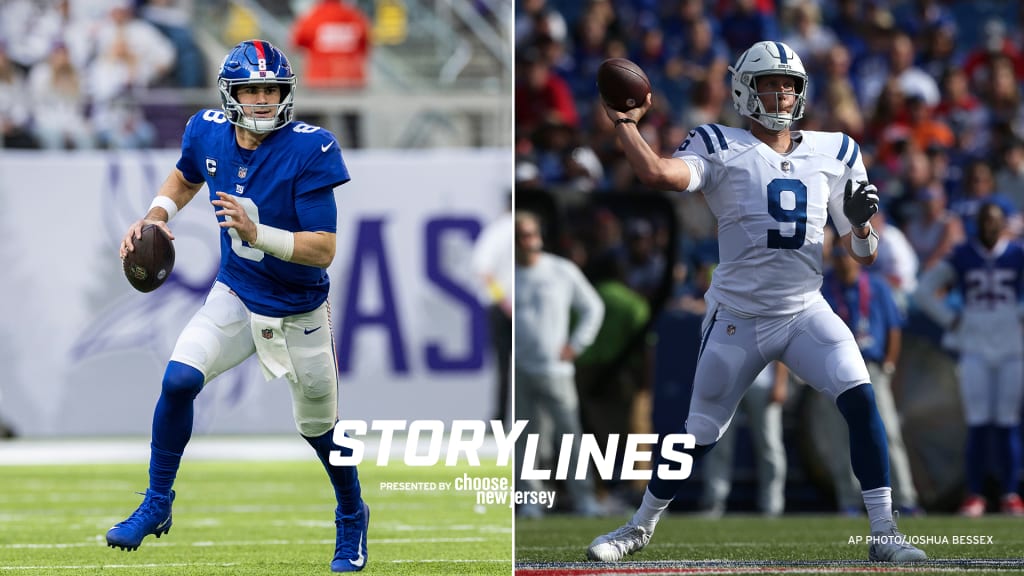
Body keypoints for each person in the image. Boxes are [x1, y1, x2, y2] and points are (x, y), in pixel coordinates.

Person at [587, 41, 926, 562]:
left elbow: (865, 255)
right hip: (737, 318)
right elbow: (658, 174)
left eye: (789, 83)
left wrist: (860, 226)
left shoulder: (836, 150)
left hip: (804, 310)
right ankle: (638, 527)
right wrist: (625, 124)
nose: (783, 92)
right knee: (698, 433)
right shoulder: (719, 143)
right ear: (747, 89)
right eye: (771, 82)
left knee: (861, 400)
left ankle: (884, 533)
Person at [108, 40, 369, 572]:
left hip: (297, 308)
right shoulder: (207, 129)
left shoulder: (311, 148)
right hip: (237, 291)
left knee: (319, 429)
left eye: (272, 88)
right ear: (231, 94)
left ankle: (351, 513)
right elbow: (185, 176)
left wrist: (259, 232)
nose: (264, 99)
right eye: (253, 89)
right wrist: (158, 215)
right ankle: (157, 503)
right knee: (179, 379)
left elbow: (323, 247)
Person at [912, 202, 1024, 517]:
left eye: (995, 221)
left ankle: (1009, 493)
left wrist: (1018, 313)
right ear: (976, 223)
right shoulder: (962, 255)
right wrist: (949, 319)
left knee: (1006, 422)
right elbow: (923, 290)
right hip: (974, 344)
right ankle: (975, 494)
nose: (989, 226)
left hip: (1010, 346)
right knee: (977, 422)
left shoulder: (1017, 254)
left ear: (1003, 224)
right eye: (985, 220)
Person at [515, 211, 605, 517]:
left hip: (556, 370)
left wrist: (576, 344)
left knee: (570, 436)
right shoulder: (505, 275)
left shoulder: (560, 270)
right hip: (521, 369)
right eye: (522, 236)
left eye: (531, 233)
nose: (529, 241)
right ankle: (530, 500)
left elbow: (593, 307)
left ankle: (585, 499)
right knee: (526, 440)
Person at [820, 243, 920, 517]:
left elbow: (893, 327)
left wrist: (889, 362)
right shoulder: (824, 288)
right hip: (834, 367)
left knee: (888, 432)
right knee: (840, 436)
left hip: (870, 365)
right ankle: (849, 499)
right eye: (838, 257)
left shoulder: (877, 286)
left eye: (847, 256)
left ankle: (905, 498)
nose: (843, 262)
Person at [699, 362, 788, 518]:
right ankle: (713, 502)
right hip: (725, 388)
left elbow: (780, 347)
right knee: (718, 446)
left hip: (763, 385)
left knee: (770, 446)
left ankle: (772, 505)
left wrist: (780, 383)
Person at [471, 195, 514, 426]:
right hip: (510, 307)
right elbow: (484, 270)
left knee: (505, 365)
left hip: (503, 306)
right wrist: (505, 301)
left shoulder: (498, 229)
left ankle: (501, 417)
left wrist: (503, 300)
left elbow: (483, 269)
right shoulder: (506, 229)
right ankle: (505, 417)